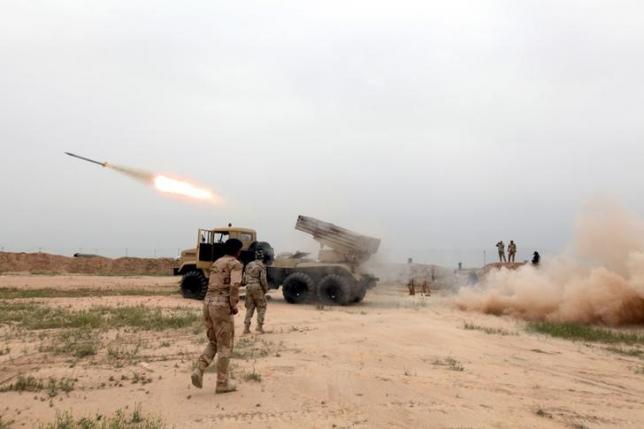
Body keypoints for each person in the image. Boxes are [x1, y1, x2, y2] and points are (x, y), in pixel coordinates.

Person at [191, 238, 243, 394]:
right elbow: (234, 285)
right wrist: (233, 305)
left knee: (214, 341)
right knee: (225, 345)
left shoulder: (217, 263)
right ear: (237, 251)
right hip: (221, 306)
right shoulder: (235, 264)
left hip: (208, 303)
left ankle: (199, 369)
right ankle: (222, 383)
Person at [243, 249, 268, 334]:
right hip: (257, 287)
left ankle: (246, 328)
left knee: (249, 308)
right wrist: (265, 289)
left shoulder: (249, 265)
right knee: (261, 307)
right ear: (262, 257)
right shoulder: (261, 266)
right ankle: (259, 327)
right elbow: (263, 280)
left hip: (248, 287)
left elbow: (244, 278)